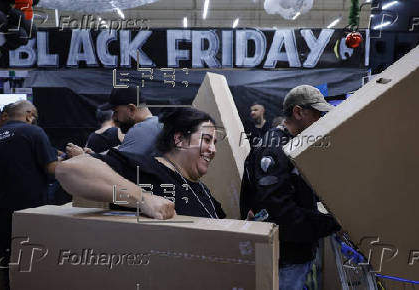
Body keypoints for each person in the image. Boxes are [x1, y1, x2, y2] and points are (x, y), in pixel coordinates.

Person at [240, 85, 340, 290]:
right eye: (317, 113)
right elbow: (280, 211)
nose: (321, 120)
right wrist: (330, 223)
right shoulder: (275, 148)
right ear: (298, 112)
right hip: (287, 257)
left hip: (295, 252)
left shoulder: (292, 144)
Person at [56, 107, 226, 219]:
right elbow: (70, 169)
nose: (213, 150)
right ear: (180, 139)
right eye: (207, 140)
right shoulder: (143, 169)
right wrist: (142, 199)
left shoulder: (202, 190)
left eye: (215, 143)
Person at [0, 100, 58, 287]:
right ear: (28, 115)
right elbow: (51, 168)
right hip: (30, 209)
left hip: (0, 210)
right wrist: (75, 160)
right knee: (33, 260)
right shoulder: (33, 132)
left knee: (8, 259)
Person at [100, 87, 162, 155]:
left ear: (131, 109)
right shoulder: (156, 124)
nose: (113, 117)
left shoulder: (141, 129)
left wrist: (90, 157)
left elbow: (119, 161)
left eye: (116, 112)